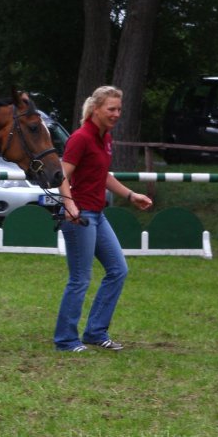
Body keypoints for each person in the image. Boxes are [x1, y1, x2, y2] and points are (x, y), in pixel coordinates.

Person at [53, 86, 152, 352]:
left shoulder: (104, 138)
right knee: (80, 279)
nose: (116, 114)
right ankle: (65, 340)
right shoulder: (81, 138)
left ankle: (95, 332)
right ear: (96, 109)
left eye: (119, 109)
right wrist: (69, 204)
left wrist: (131, 195)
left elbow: (103, 175)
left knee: (118, 270)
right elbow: (61, 175)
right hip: (79, 218)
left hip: (97, 215)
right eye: (111, 109)